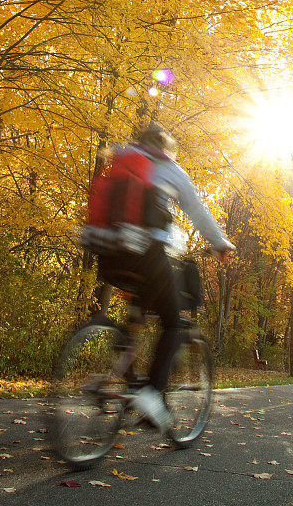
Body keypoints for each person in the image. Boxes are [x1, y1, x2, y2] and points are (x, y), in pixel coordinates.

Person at [97, 120, 235, 432]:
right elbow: (197, 210)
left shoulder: (119, 157)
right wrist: (219, 243)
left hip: (108, 253)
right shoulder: (168, 166)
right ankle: (150, 394)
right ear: (164, 145)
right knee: (172, 319)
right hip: (146, 252)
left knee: (138, 314)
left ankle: (122, 379)